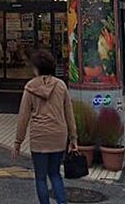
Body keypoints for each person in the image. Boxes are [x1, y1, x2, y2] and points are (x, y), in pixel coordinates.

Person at [13, 51, 78, 204]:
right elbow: (69, 114)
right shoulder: (61, 86)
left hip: (39, 137)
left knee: (40, 177)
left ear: (36, 68)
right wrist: (73, 138)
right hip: (58, 136)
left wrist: (18, 142)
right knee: (55, 174)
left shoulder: (30, 87)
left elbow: (23, 117)